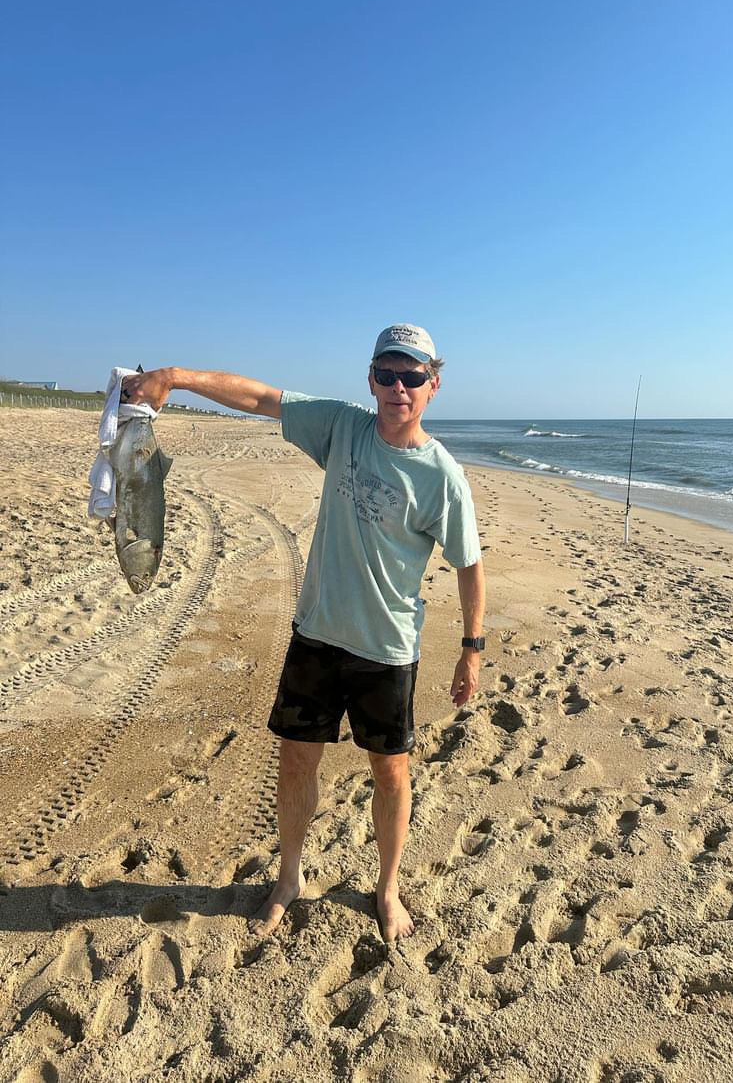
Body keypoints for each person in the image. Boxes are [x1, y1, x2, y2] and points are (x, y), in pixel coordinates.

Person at [121, 324, 485, 942]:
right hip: (317, 634)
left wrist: (471, 649)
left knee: (390, 771)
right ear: (371, 380)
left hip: (387, 649)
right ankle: (288, 878)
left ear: (433, 385)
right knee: (295, 760)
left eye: (413, 376)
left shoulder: (443, 476)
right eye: (387, 374)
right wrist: (175, 377)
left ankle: (388, 888)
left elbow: (470, 567)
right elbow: (263, 398)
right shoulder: (343, 428)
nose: (399, 387)